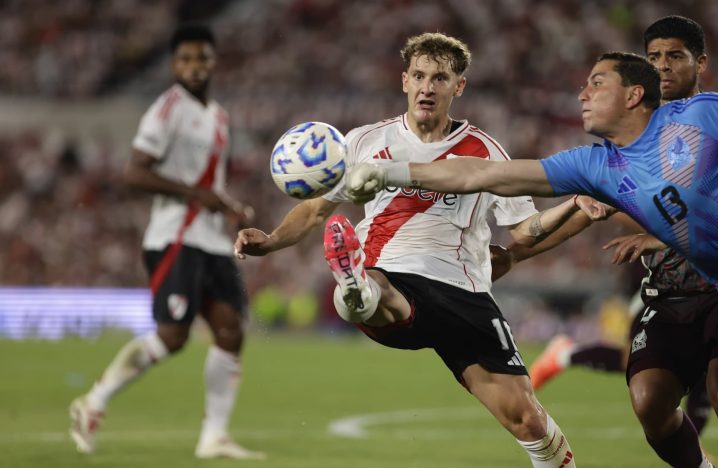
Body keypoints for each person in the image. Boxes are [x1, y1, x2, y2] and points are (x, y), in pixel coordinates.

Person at [347, 51, 718, 467]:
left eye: (596, 84)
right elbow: (480, 176)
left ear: (633, 95)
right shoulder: (595, 165)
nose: (582, 94)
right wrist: (392, 174)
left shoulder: (696, 115)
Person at [235, 33, 578, 467]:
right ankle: (355, 286)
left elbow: (526, 230)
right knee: (378, 292)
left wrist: (575, 207)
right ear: (403, 81)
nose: (427, 87)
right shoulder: (363, 142)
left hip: (462, 292)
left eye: (440, 78)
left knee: (526, 419)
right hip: (393, 273)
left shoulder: (486, 151)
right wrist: (270, 241)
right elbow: (314, 211)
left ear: (459, 87)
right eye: (418, 75)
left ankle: (356, 293)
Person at [512, 16, 718, 468]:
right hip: (667, 294)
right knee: (649, 402)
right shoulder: (632, 133)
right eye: (653, 57)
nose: (662, 67)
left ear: (701, 63)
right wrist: (517, 254)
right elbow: (589, 207)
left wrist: (656, 236)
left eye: (674, 56)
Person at [69, 24, 264, 460]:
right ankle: (92, 402)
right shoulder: (167, 108)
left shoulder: (217, 114)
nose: (195, 67)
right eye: (186, 59)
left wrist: (228, 205)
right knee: (173, 336)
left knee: (230, 332)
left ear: (214, 62)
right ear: (174, 65)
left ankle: (213, 437)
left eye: (202, 58)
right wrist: (200, 197)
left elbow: (207, 181)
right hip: (176, 236)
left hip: (211, 241)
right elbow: (135, 172)